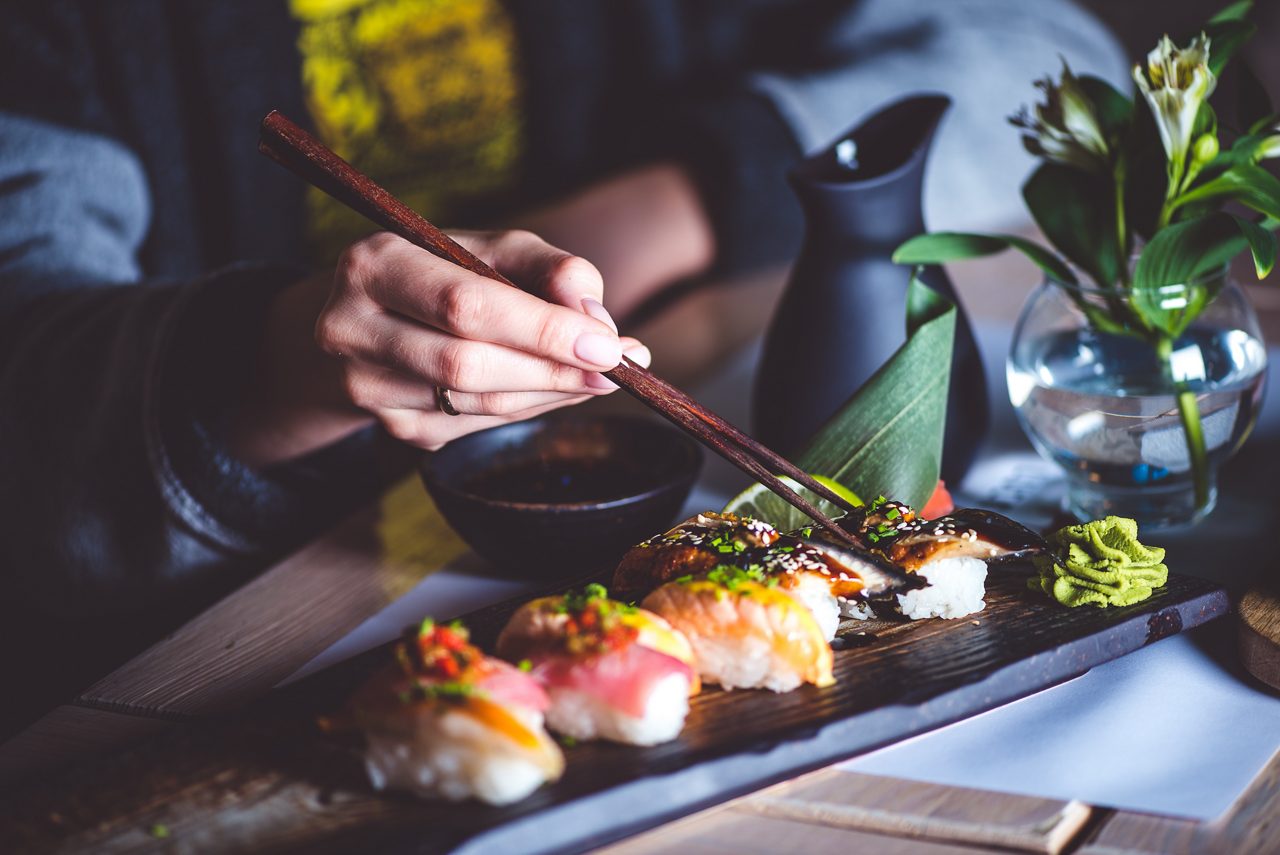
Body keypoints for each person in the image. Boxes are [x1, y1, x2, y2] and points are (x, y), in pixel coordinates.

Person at [0, 0, 1125, 730]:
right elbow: (27, 448)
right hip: (200, 633)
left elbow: (1050, 56)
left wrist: (663, 206)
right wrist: (282, 364)